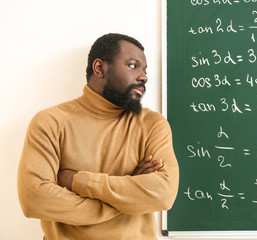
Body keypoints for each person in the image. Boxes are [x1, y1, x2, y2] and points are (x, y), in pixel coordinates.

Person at [17, 33, 179, 240]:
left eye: (145, 71)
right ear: (99, 68)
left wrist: (76, 180)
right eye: (132, 65)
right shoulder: (50, 122)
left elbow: (164, 194)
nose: (143, 77)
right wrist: (129, 194)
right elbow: (35, 200)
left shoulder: (152, 125)